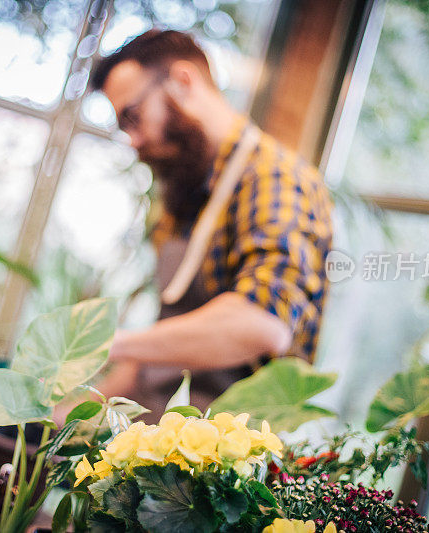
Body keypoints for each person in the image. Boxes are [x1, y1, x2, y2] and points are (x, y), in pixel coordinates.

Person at [86, 29, 333, 417]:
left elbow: (263, 323)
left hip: (226, 459)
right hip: (155, 437)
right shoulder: (183, 192)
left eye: (132, 117)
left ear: (183, 81)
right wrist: (69, 414)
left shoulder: (275, 178)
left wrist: (103, 343)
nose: (132, 140)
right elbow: (157, 359)